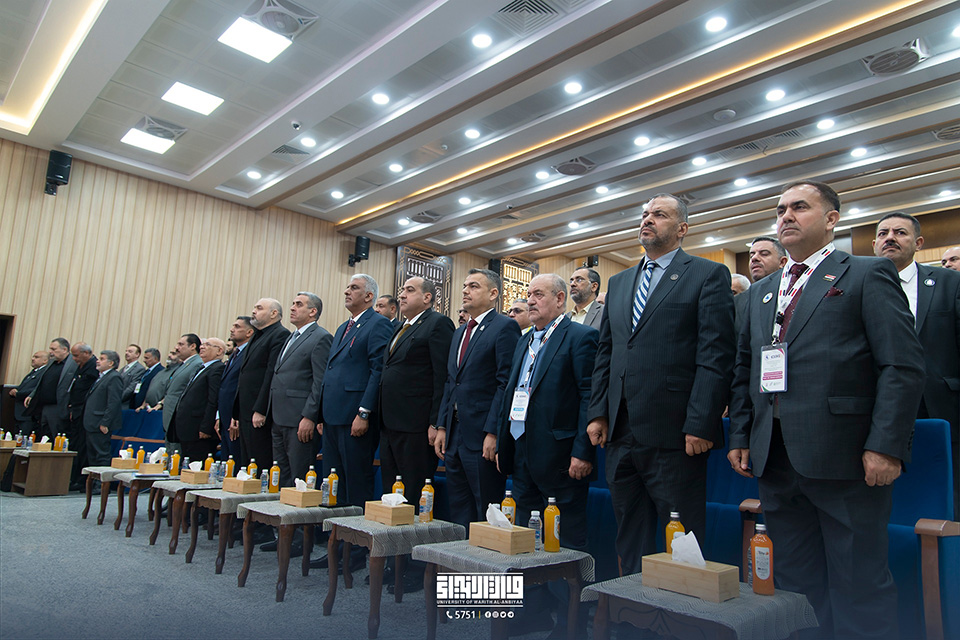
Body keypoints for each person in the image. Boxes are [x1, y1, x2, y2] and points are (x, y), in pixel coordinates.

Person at [729, 180, 925, 640]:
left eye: (800, 207)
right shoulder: (762, 291)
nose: (786, 216)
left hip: (846, 457)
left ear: (832, 219)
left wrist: (886, 445)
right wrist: (741, 434)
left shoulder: (866, 273)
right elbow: (745, 368)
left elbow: (901, 365)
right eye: (781, 209)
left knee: (859, 584)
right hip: (775, 457)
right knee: (794, 586)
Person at [587, 193, 735, 575]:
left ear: (682, 228)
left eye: (659, 214)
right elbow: (607, 352)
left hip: (676, 432)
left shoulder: (706, 274)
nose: (647, 219)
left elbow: (715, 354)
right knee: (629, 534)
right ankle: (629, 607)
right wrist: (598, 412)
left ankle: (682, 608)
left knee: (681, 540)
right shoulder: (620, 282)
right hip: (621, 432)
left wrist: (701, 421)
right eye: (645, 214)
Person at [497, 273, 598, 636]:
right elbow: (511, 392)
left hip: (560, 456)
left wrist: (583, 451)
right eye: (529, 294)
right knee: (527, 538)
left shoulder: (581, 337)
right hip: (522, 450)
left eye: (538, 294)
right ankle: (533, 613)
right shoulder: (525, 340)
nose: (530, 300)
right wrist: (502, 441)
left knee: (566, 542)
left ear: (559, 299)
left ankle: (573, 624)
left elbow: (589, 397)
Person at [873, 212, 960, 514]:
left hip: (940, 404)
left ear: (918, 243)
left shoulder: (950, 282)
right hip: (879, 407)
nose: (890, 238)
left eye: (900, 232)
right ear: (874, 244)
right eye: (883, 233)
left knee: (947, 492)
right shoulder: (859, 286)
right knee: (892, 498)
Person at [435, 269, 521, 530]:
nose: (465, 291)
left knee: (485, 508)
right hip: (455, 433)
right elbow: (451, 382)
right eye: (464, 286)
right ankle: (461, 554)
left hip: (482, 434)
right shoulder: (460, 332)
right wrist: (442, 425)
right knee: (459, 508)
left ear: (493, 294)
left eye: (473, 286)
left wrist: (493, 431)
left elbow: (505, 384)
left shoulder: (504, 326)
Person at [317, 275, 393, 507]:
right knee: (332, 481)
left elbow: (377, 370)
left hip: (354, 416)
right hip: (332, 415)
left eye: (354, 288)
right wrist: (320, 415)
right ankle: (333, 526)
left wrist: (364, 412)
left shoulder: (378, 323)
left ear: (369, 296)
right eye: (348, 287)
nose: (346, 291)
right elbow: (331, 371)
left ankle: (356, 530)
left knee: (355, 481)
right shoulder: (343, 327)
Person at [380, 277, 455, 496]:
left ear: (427, 297)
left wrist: (436, 422)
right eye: (402, 290)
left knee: (412, 491)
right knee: (390, 492)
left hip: (416, 425)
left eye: (410, 290)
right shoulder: (401, 326)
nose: (402, 295)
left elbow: (442, 377)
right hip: (389, 423)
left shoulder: (438, 323)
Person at [269, 292, 332, 487]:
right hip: (279, 416)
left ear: (312, 311)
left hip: (299, 418)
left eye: (299, 304)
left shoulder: (321, 337)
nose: (292, 308)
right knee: (280, 476)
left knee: (299, 478)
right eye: (293, 303)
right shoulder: (292, 337)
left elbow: (319, 381)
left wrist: (310, 416)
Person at [233, 299, 289, 470]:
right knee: (246, 462)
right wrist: (236, 411)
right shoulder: (257, 335)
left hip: (259, 410)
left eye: (259, 308)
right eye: (254, 307)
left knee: (259, 462)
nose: (253, 311)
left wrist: (261, 409)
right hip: (245, 409)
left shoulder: (280, 335)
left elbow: (271, 374)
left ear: (273, 313)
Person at [169, 338, 225, 462]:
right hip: (187, 428)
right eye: (202, 344)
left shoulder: (217, 368)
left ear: (219, 351)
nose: (202, 347)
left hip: (198, 430)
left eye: (207, 345)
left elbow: (213, 399)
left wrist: (206, 427)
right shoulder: (202, 368)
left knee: (196, 465)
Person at [24, 338, 77, 440]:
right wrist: (32, 394)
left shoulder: (73, 363)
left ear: (64, 349)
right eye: (50, 349)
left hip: (59, 407)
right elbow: (43, 381)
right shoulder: (51, 362)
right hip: (44, 406)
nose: (50, 352)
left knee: (57, 437)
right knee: (45, 436)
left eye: (53, 349)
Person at [157, 334, 203, 445]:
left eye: (181, 344)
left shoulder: (197, 363)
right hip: (170, 416)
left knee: (176, 452)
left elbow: (191, 391)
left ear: (192, 346)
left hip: (179, 417)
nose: (176, 348)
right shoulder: (184, 364)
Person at [82, 350, 124, 470]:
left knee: (101, 455)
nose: (97, 361)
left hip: (100, 423)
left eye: (102, 359)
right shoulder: (101, 377)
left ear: (111, 363)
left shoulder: (114, 377)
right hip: (91, 423)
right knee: (92, 456)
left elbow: (113, 402)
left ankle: (101, 481)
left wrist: (105, 422)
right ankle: (93, 479)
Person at [219, 316, 253, 460]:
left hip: (236, 417)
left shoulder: (249, 353)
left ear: (249, 332)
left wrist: (237, 414)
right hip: (225, 417)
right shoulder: (235, 354)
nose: (232, 329)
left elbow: (244, 386)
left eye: (237, 327)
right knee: (226, 460)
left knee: (236, 460)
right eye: (233, 326)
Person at [66, 343, 99, 487]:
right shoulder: (80, 366)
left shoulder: (93, 367)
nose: (74, 359)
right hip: (76, 409)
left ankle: (81, 479)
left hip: (85, 411)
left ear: (86, 353)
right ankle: (73, 477)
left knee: (83, 445)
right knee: (75, 443)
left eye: (76, 355)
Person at [9, 351, 49, 433]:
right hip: (20, 413)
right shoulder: (34, 371)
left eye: (36, 357)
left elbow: (37, 389)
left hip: (28, 413)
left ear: (45, 360)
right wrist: (15, 390)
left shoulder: (44, 372)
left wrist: (18, 394)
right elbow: (23, 386)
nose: (33, 359)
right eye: (33, 356)